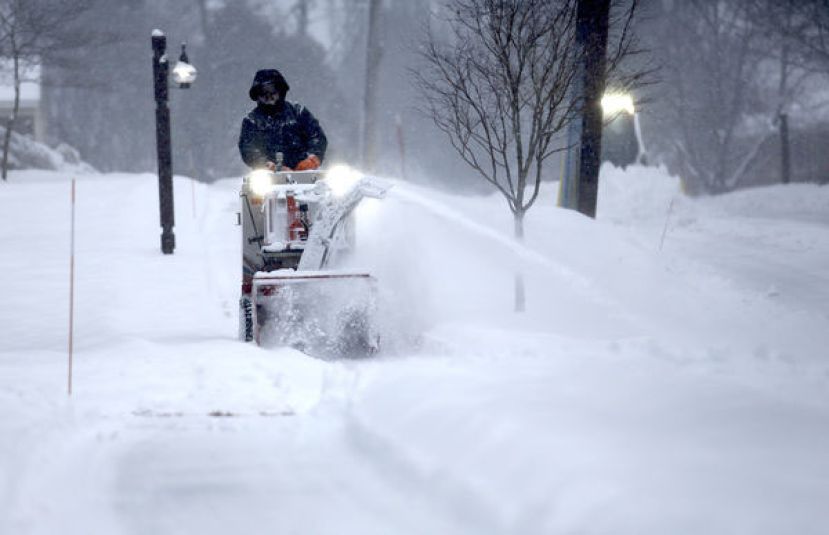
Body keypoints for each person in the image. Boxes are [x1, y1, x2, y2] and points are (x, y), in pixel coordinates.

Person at [238, 69, 327, 171]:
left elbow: (316, 137)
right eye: (263, 92)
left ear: (281, 91)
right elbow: (248, 148)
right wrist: (264, 164)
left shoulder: (298, 112)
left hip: (305, 173)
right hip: (268, 178)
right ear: (257, 95)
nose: (268, 96)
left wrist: (312, 159)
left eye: (272, 91)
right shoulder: (251, 120)